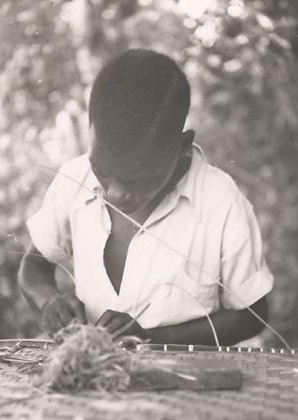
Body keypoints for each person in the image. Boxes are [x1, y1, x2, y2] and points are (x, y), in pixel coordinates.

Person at [18, 49, 273, 346]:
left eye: (137, 180)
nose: (114, 195)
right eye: (101, 171)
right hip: (94, 385)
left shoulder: (221, 202)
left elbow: (253, 313)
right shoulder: (74, 180)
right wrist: (49, 301)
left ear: (183, 146)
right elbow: (33, 265)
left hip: (188, 385)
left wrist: (153, 338)